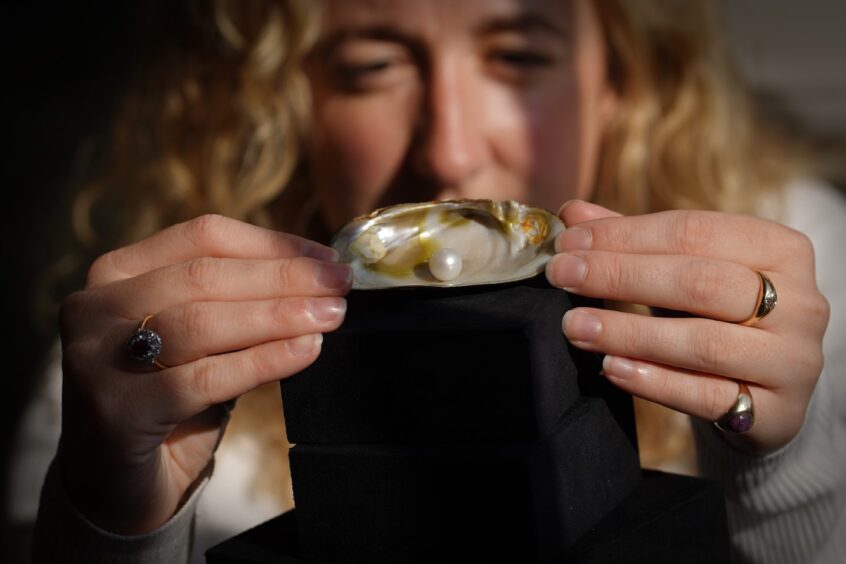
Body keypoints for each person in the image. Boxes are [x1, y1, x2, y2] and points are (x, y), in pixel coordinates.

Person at [11, 0, 843, 562]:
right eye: (374, 66)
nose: (447, 150)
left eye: (517, 55)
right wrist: (113, 522)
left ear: (619, 80)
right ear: (291, 101)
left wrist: (780, 466)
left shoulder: (795, 266)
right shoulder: (141, 360)